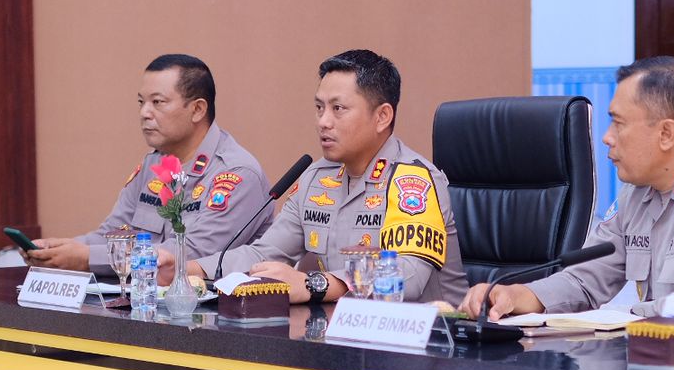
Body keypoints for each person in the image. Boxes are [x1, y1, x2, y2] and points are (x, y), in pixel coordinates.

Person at [457, 55, 674, 319]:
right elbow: (584, 280)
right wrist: (517, 295)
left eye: (618, 123)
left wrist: (630, 316)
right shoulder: (638, 192)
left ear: (666, 134)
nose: (607, 137)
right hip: (661, 364)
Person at [179, 49, 467, 304]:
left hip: (433, 339)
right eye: (319, 108)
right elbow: (264, 254)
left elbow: (408, 276)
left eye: (338, 109)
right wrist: (184, 269)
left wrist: (313, 285)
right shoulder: (316, 178)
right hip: (344, 332)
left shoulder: (413, 181)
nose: (323, 122)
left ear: (382, 117)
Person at [26, 54, 270, 274]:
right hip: (148, 299)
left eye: (158, 102)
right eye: (141, 102)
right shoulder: (154, 163)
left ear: (197, 110)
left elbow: (191, 252)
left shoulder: (236, 173)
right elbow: (114, 232)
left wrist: (86, 258)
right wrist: (59, 250)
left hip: (211, 306)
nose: (144, 113)